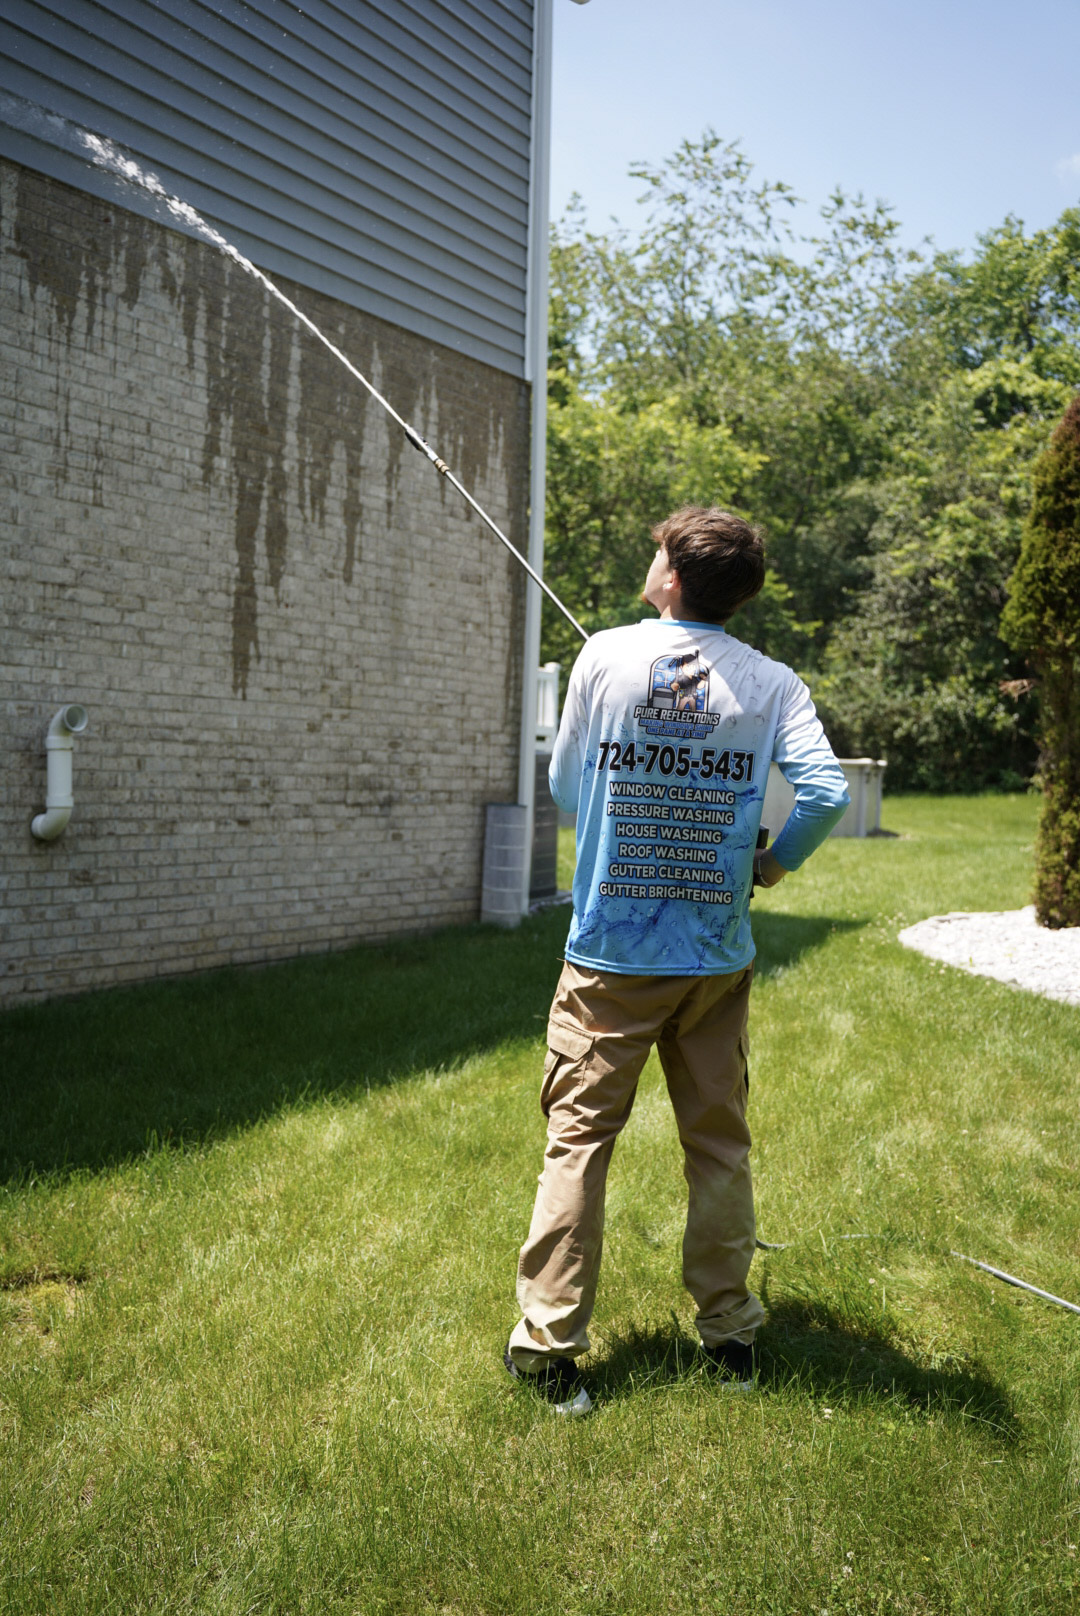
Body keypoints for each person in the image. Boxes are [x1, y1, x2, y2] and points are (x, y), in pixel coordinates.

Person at [504, 506, 850, 1416]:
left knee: (578, 1142)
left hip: (609, 960)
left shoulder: (604, 657)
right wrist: (772, 861)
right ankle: (730, 1335)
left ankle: (548, 1348)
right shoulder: (773, 682)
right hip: (713, 959)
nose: (649, 558)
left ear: (672, 575)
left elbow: (567, 789)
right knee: (719, 1146)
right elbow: (823, 790)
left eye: (656, 550)